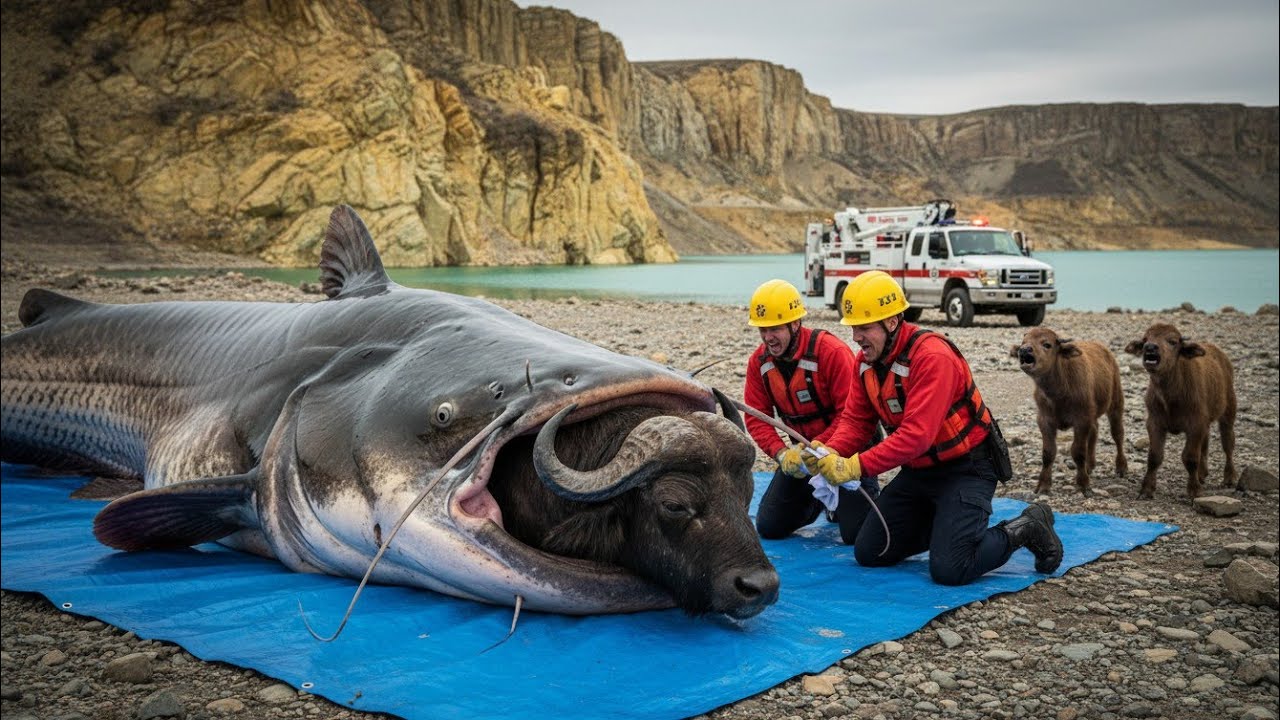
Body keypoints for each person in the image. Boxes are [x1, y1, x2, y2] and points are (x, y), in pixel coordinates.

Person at [803, 271, 1063, 585]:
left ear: (892, 322)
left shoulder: (932, 357)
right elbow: (856, 421)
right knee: (871, 551)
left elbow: (917, 436)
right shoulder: (865, 364)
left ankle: (1029, 526)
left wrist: (854, 466)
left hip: (968, 468)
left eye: (864, 327)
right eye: (854, 328)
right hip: (920, 472)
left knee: (951, 569)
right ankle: (947, 529)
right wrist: (832, 449)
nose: (856, 337)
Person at [743, 279, 880, 544]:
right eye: (762, 329)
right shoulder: (759, 363)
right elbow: (756, 417)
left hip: (848, 452)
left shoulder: (831, 352)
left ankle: (851, 499)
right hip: (803, 455)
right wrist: (782, 454)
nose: (768, 337)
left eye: (775, 328)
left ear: (795, 324)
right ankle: (819, 500)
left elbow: (851, 416)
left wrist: (820, 449)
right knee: (770, 526)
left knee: (855, 534)